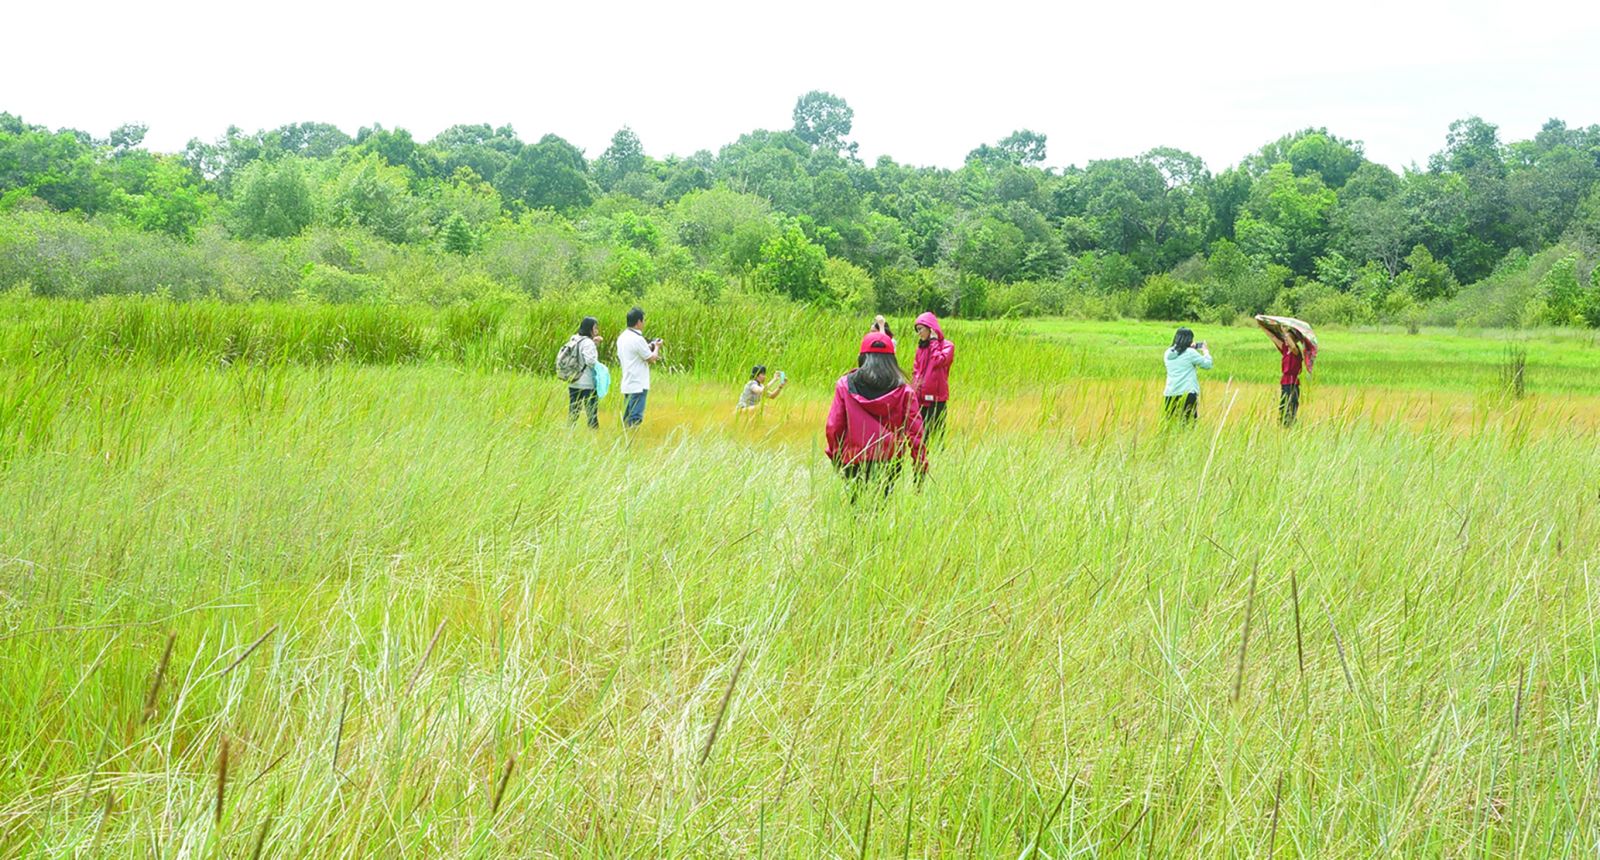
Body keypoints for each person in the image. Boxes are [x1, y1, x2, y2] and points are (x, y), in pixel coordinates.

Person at [825, 332, 927, 499]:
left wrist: (835, 456)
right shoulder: (905, 391)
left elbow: (834, 426)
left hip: (853, 459)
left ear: (862, 357)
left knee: (855, 506)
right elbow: (916, 434)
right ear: (892, 361)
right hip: (889, 460)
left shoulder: (844, 385)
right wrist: (919, 466)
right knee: (881, 506)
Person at [616, 306, 662, 429]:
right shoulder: (637, 339)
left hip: (627, 382)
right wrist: (656, 347)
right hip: (638, 384)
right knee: (635, 417)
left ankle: (625, 438)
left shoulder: (622, 337)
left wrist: (649, 346)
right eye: (643, 320)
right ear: (638, 322)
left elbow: (637, 352)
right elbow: (651, 358)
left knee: (627, 415)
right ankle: (633, 440)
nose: (644, 323)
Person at [911, 312, 954, 439]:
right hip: (921, 397)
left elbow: (938, 361)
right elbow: (916, 371)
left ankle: (940, 455)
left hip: (937, 397)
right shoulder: (921, 348)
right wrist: (914, 391)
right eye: (917, 330)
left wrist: (934, 342)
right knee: (922, 432)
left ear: (930, 328)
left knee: (937, 431)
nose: (919, 333)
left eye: (921, 329)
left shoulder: (947, 345)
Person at [1162, 327, 1213, 423]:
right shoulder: (1190, 353)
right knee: (1188, 424)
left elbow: (1179, 353)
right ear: (1189, 340)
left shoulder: (1168, 352)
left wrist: (1188, 348)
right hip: (1187, 393)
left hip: (1170, 393)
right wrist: (1206, 352)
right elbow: (1207, 365)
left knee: (1170, 423)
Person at [565, 316, 603, 428]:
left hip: (574, 381)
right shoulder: (588, 343)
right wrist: (600, 367)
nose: (597, 331)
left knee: (573, 411)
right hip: (587, 383)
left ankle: (569, 433)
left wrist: (593, 343)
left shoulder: (574, 339)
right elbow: (590, 361)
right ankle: (594, 435)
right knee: (591, 413)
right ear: (589, 329)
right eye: (595, 328)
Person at [1264, 325, 1305, 426]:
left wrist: (1285, 333)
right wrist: (1262, 326)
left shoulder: (1297, 351)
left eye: (1289, 338)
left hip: (1293, 382)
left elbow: (1293, 347)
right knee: (1283, 405)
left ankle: (1290, 424)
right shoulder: (1285, 349)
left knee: (1291, 405)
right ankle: (1283, 425)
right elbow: (1273, 338)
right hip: (1285, 382)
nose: (1286, 340)